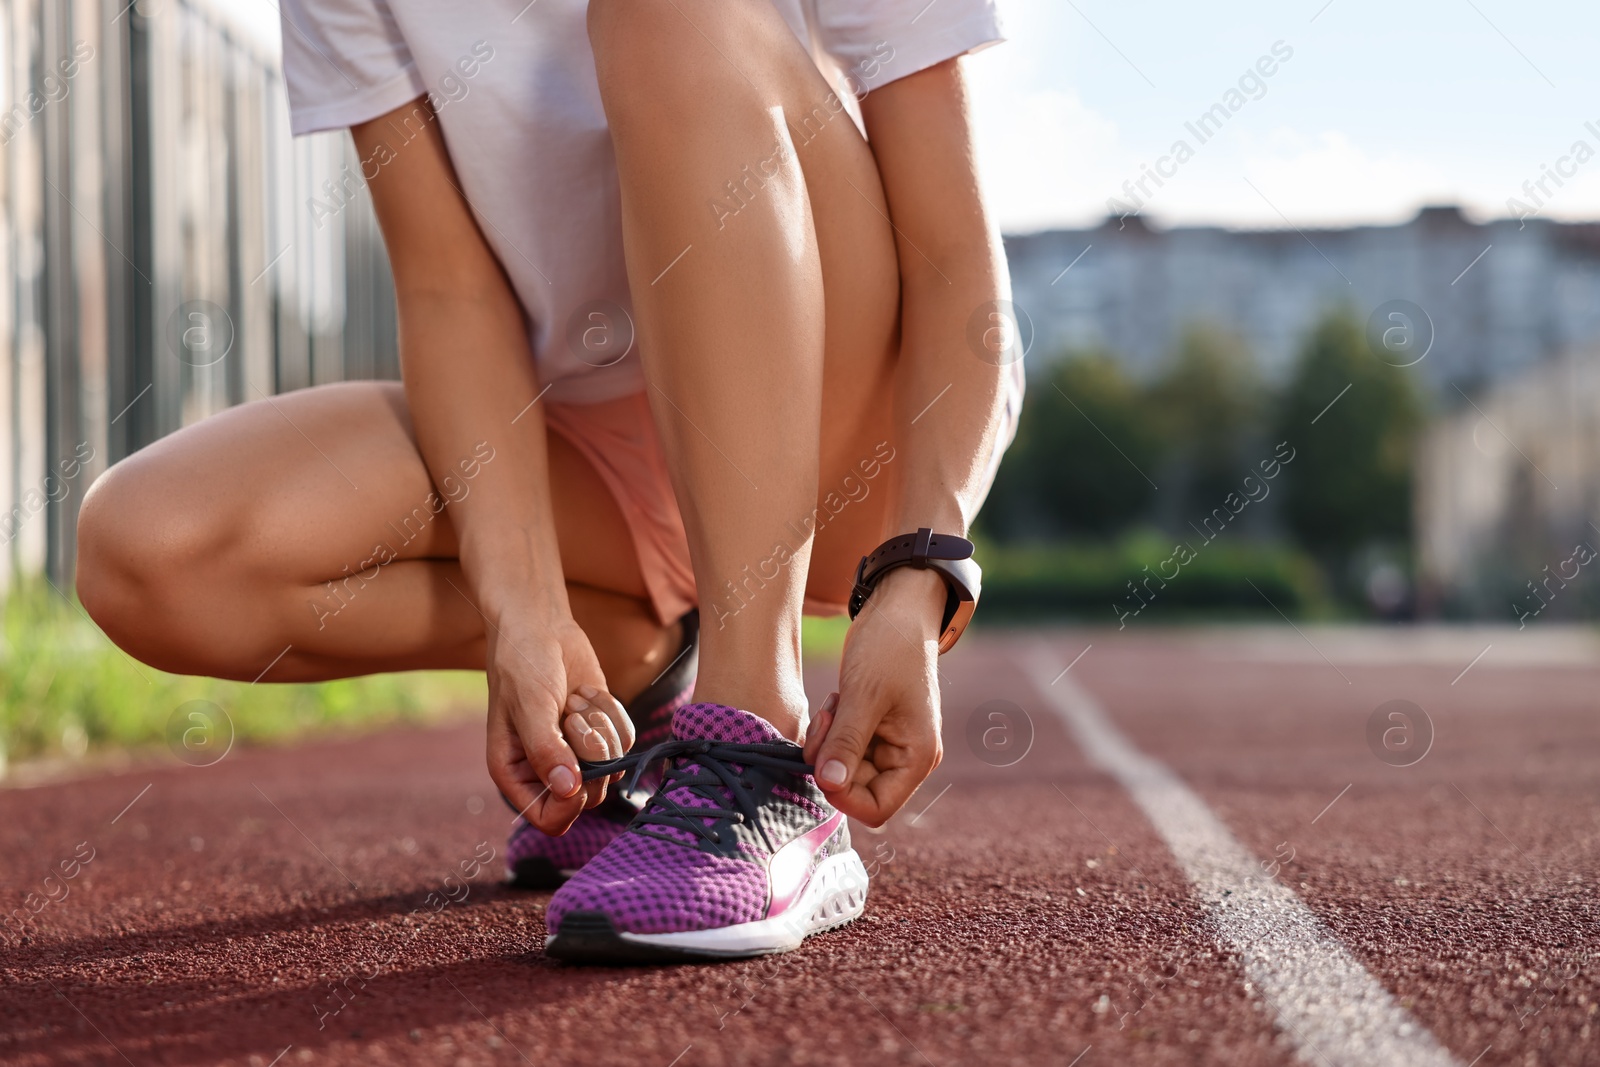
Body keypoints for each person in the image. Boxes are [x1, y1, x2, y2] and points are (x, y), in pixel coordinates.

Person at [75, 0, 1022, 963]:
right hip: (586, 452)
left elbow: (955, 259)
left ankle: (756, 748)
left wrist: (923, 566)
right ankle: (633, 681)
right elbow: (449, 285)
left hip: (839, 430)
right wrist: (522, 607)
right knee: (153, 552)